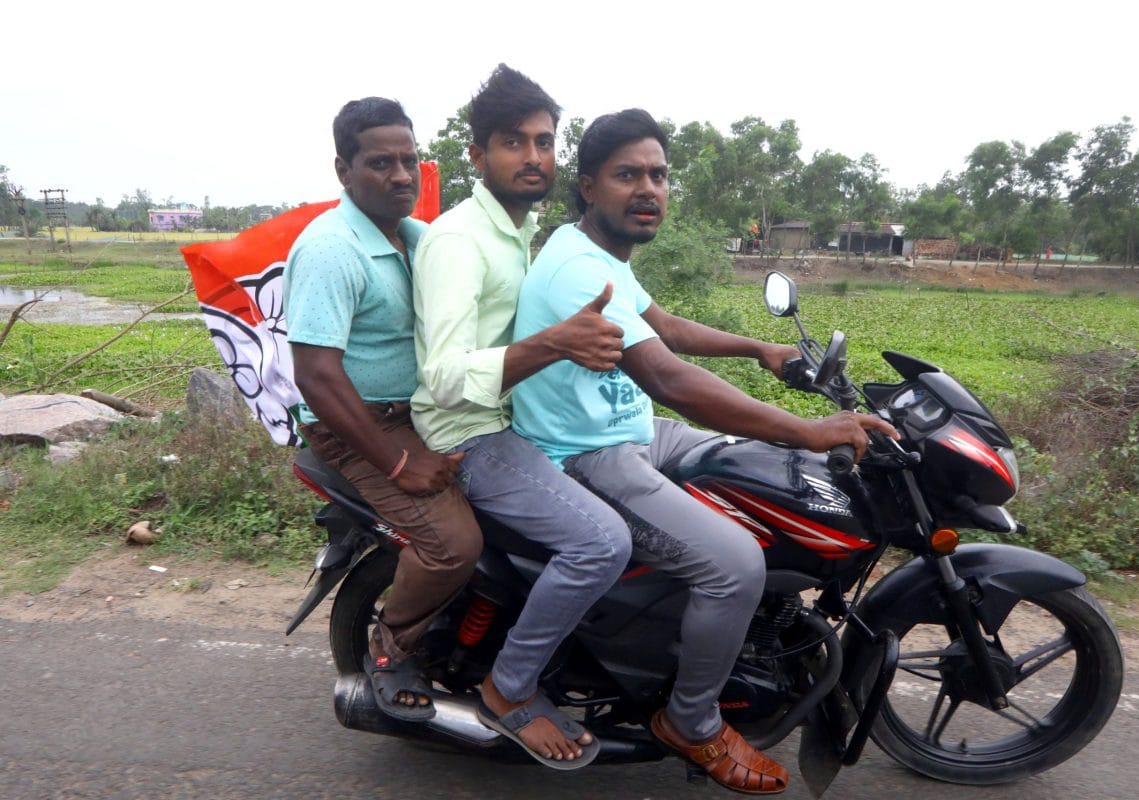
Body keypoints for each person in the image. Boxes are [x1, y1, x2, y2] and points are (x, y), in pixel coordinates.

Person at [511, 108, 898, 795]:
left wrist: (757, 348)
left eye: (658, 174)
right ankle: (689, 722)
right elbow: (667, 378)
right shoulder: (576, 266)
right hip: (585, 454)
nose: (648, 188)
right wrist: (810, 427)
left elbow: (666, 328)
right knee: (735, 563)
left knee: (769, 475)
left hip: (630, 431)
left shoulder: (600, 255)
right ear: (589, 185)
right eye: (628, 174)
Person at [411, 65, 632, 770]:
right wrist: (556, 343)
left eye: (544, 141)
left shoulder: (521, 229)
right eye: (514, 142)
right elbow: (444, 380)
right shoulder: (458, 242)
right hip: (470, 434)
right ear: (477, 156)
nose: (534, 157)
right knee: (602, 542)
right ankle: (508, 689)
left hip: (516, 415)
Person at [283, 97, 481, 723]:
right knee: (454, 543)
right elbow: (316, 373)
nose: (401, 175)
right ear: (343, 169)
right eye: (380, 162)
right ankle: (391, 651)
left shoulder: (418, 237)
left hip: (425, 408)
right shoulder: (330, 250)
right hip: (362, 426)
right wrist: (398, 462)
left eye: (409, 160)